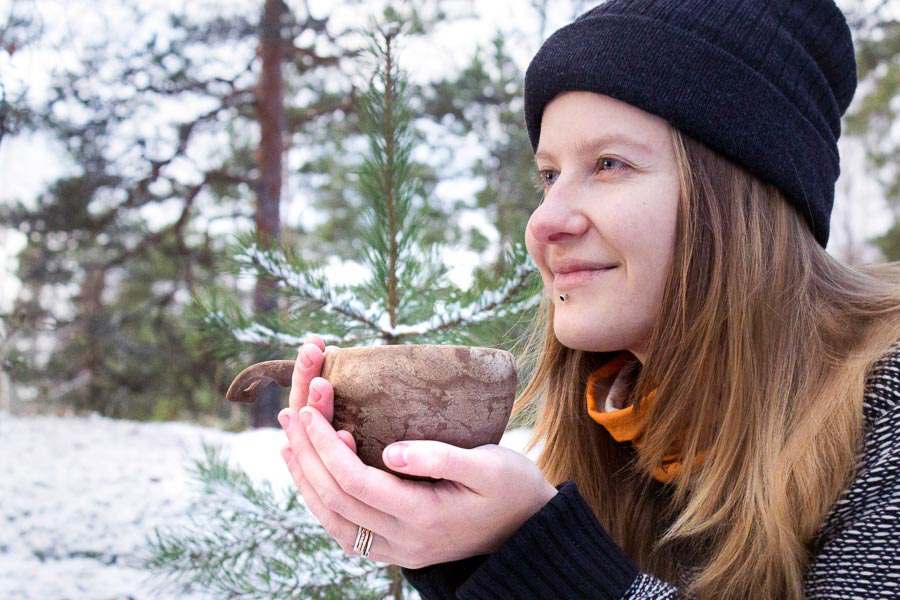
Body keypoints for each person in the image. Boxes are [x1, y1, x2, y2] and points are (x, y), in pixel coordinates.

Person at [276, 0, 900, 598]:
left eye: (609, 164)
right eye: (548, 176)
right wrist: (453, 551)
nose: (544, 222)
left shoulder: (885, 407)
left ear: (738, 197)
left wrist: (539, 555)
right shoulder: (616, 431)